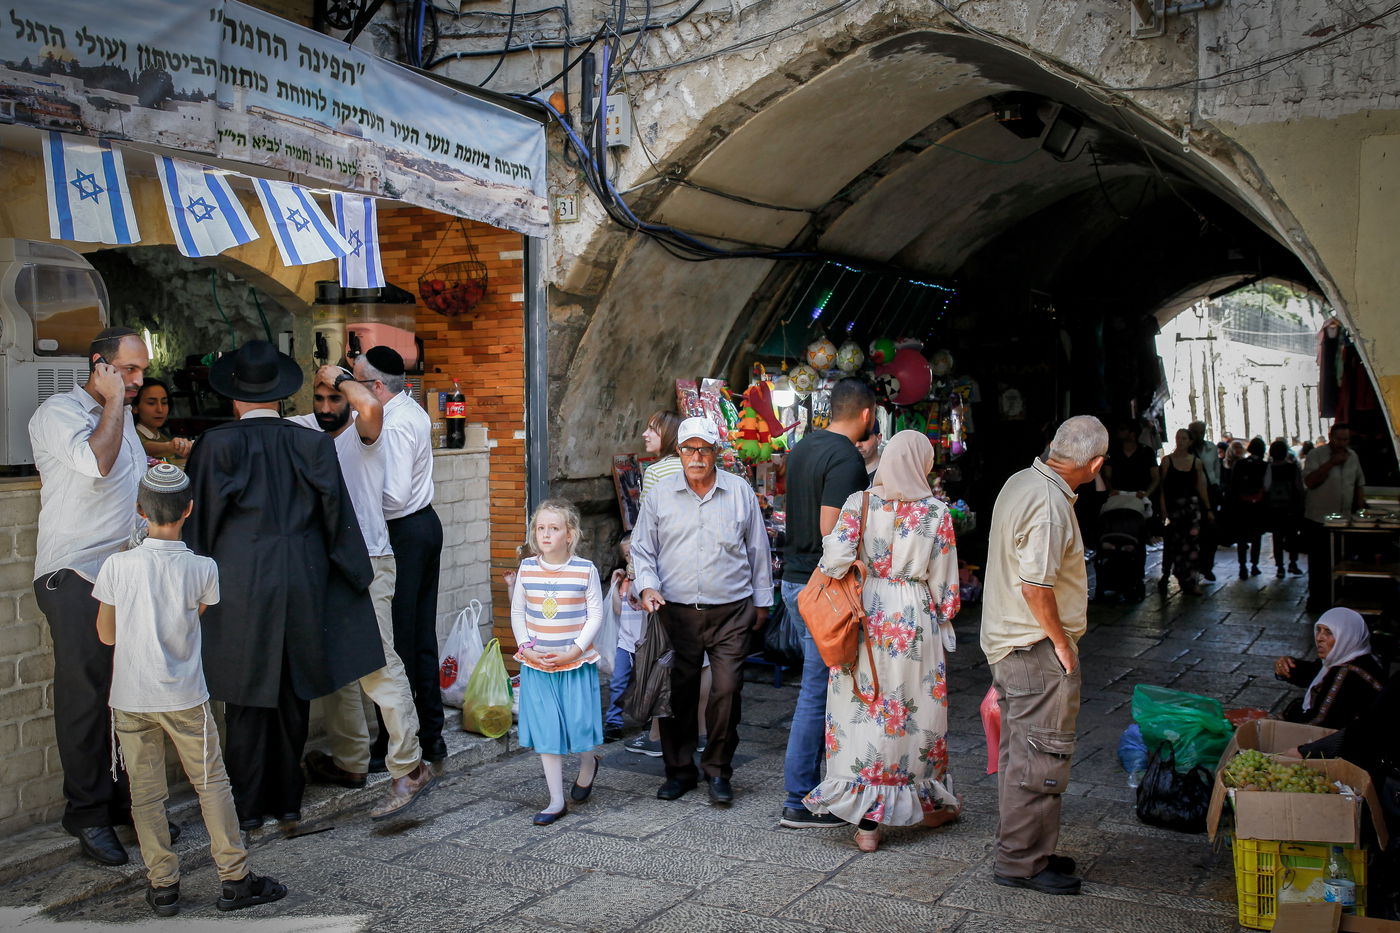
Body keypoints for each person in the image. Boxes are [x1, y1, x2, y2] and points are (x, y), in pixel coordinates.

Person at [183, 340, 385, 829]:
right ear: (280, 395)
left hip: (239, 581)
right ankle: (288, 799)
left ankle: (249, 805)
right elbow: (337, 515)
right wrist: (354, 575)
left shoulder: (216, 444)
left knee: (245, 693)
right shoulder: (312, 442)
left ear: (235, 397)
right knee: (294, 690)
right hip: (303, 577)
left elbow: (199, 523)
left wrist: (189, 584)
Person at [94, 463, 287, 917]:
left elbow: (106, 634)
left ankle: (163, 886)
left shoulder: (117, 565)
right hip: (184, 696)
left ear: (140, 511)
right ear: (189, 509)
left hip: (131, 698)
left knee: (146, 795)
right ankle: (234, 878)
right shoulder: (203, 567)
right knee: (211, 784)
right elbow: (193, 615)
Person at [802, 431, 963, 852]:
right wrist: (942, 614)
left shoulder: (859, 502)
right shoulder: (936, 512)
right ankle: (926, 803)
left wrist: (862, 565)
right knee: (914, 712)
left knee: (864, 712)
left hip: (865, 613)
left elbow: (834, 560)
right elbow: (946, 589)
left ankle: (868, 824)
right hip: (914, 619)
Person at [289, 366, 436, 820]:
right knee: (336, 666)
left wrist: (338, 376)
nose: (326, 407)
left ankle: (410, 767)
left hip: (370, 560)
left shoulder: (364, 431)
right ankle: (351, 762)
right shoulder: (306, 429)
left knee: (379, 665)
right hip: (327, 567)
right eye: (319, 398)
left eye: (334, 398)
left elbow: (369, 404)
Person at [28, 326, 150, 865]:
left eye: (142, 371)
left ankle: (125, 802)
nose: (138, 380)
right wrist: (116, 401)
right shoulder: (59, 413)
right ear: (100, 365)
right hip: (75, 574)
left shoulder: (124, 420)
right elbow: (97, 464)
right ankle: (86, 813)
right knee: (85, 696)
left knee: (126, 693)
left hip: (125, 574)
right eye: (128, 370)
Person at [981, 415, 1108, 896]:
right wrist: (1060, 642)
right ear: (1095, 464)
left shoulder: (1021, 481)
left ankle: (1027, 850)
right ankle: (1022, 862)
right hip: (1033, 648)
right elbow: (1035, 587)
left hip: (1011, 643)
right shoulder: (1050, 503)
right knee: (1041, 759)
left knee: (1024, 756)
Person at [632, 417, 773, 805]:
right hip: (675, 612)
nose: (696, 457)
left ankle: (718, 770)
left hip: (731, 612)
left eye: (704, 449)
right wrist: (647, 586)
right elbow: (643, 548)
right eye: (689, 449)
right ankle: (679, 771)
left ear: (716, 453)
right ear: (678, 452)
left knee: (727, 690)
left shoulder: (739, 491)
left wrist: (763, 602)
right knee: (677, 693)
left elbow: (758, 549)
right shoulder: (660, 494)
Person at [778, 377, 877, 829]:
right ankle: (799, 798)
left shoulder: (803, 448)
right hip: (821, 587)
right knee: (817, 691)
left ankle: (814, 789)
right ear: (867, 414)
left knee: (818, 687)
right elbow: (830, 528)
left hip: (794, 580)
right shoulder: (847, 459)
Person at [354, 347, 449, 771]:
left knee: (397, 643)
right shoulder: (412, 410)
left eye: (355, 383)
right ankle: (431, 736)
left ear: (376, 386)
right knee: (420, 635)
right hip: (424, 525)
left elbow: (392, 496)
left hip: (403, 531)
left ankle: (398, 742)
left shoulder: (393, 425)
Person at [510, 499, 605, 824]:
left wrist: (575, 650)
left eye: (554, 528)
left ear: (570, 534)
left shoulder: (585, 570)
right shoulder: (527, 568)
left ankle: (589, 763)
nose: (546, 534)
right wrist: (525, 647)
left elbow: (595, 615)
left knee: (580, 726)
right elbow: (518, 611)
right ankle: (555, 800)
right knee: (548, 730)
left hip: (574, 665)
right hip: (539, 666)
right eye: (541, 528)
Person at [1274, 607, 1384, 728]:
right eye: (1318, 630)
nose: (1319, 638)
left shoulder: (1346, 674)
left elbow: (1317, 724)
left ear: (1347, 636)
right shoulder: (1361, 657)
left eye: (1329, 632)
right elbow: (1314, 671)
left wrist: (1279, 721)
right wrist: (1287, 665)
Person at [1303, 423, 1367, 611]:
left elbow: (1359, 484)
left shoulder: (1353, 456)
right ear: (1331, 437)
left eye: (1346, 440)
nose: (1342, 443)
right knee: (1319, 563)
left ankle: (1338, 598)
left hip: (1343, 520)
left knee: (1339, 561)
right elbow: (1310, 481)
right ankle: (1317, 601)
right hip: (1319, 519)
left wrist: (1361, 512)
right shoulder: (1316, 455)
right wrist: (1331, 463)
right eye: (1339, 439)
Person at [1157, 428, 1213, 596]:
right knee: (1172, 543)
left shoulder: (1196, 463)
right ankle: (1168, 574)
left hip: (1191, 509)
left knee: (1192, 545)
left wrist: (1208, 508)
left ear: (1190, 441)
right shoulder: (1167, 461)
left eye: (1184, 438)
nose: (1180, 441)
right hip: (1174, 509)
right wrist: (1163, 508)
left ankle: (1191, 580)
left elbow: (1201, 487)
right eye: (1178, 438)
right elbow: (1162, 488)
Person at [603, 534, 645, 743]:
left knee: (647, 683)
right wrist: (614, 585)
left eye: (635, 552)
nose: (631, 558)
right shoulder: (624, 583)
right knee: (618, 682)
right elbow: (618, 610)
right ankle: (613, 722)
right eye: (627, 555)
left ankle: (650, 720)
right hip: (625, 643)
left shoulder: (647, 580)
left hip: (646, 642)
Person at [1229, 437, 1269, 578]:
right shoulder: (1264, 466)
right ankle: (1254, 565)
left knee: (1241, 537)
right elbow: (1267, 486)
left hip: (1241, 506)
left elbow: (1233, 485)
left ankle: (1242, 566)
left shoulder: (1240, 464)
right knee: (1257, 537)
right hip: (1257, 506)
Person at [1265, 438, 1305, 577]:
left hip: (1274, 508)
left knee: (1277, 537)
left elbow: (1266, 487)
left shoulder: (1268, 467)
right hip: (1291, 507)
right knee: (1292, 536)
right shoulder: (1292, 467)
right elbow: (1299, 487)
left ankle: (1280, 567)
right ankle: (1293, 563)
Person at [1187, 421, 1222, 582]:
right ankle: (1195, 565)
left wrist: (1217, 484)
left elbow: (1216, 468)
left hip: (1211, 491)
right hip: (1193, 493)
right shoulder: (1187, 450)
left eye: (1201, 432)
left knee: (1211, 531)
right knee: (1195, 532)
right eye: (1195, 432)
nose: (1199, 435)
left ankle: (1207, 566)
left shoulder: (1211, 448)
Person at [132, 379, 193, 463]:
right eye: (151, 403)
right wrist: (172, 446)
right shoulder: (131, 437)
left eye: (164, 402)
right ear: (135, 408)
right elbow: (141, 448)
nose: (160, 409)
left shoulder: (164, 437)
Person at [1103, 418, 1159, 500]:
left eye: (1122, 429)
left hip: (1140, 498)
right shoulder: (1112, 452)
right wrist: (1111, 491)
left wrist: (1146, 494)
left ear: (1132, 433)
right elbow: (1107, 476)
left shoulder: (1147, 452)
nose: (1118, 431)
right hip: (1118, 497)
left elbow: (1156, 477)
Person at [640, 410, 683, 503]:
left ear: (668, 433)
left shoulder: (655, 472)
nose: (644, 434)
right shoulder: (691, 465)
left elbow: (647, 510)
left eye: (651, 429)